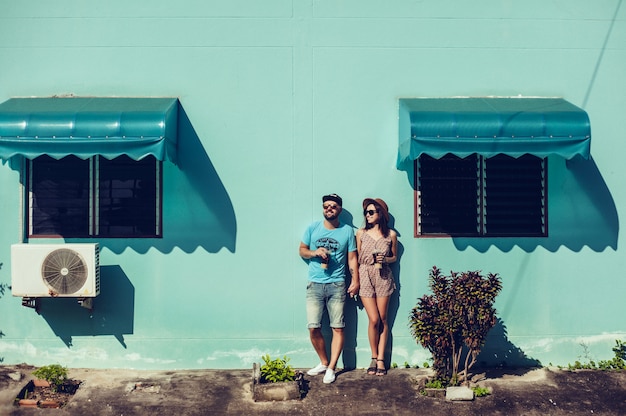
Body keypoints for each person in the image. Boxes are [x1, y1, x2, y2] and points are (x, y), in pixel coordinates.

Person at [299, 193, 360, 384]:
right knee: (313, 328)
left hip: (337, 284)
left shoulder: (347, 231)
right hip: (314, 284)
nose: (329, 209)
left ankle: (332, 368)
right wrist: (314, 252)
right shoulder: (313, 228)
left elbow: (352, 258)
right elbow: (302, 249)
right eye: (326, 206)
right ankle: (324, 362)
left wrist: (355, 281)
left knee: (338, 328)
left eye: (333, 206)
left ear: (339, 209)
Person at [356, 198, 397, 376]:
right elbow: (356, 258)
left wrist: (385, 259)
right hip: (365, 274)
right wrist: (355, 280)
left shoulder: (391, 235)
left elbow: (394, 257)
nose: (367, 215)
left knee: (383, 318)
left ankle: (380, 359)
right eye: (366, 212)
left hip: (383, 276)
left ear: (381, 214)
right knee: (373, 320)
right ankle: (373, 356)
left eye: (371, 212)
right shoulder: (361, 233)